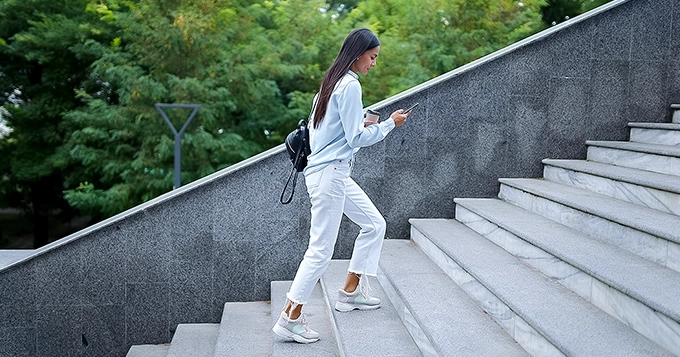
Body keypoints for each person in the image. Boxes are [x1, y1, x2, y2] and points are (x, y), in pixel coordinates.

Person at [272, 28, 410, 344]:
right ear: (358, 53)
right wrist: (390, 124)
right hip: (330, 176)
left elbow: (331, 134)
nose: (374, 64)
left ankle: (350, 291)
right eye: (373, 57)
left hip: (331, 173)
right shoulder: (349, 86)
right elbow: (354, 139)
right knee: (320, 251)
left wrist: (361, 122)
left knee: (375, 224)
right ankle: (290, 317)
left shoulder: (329, 85)